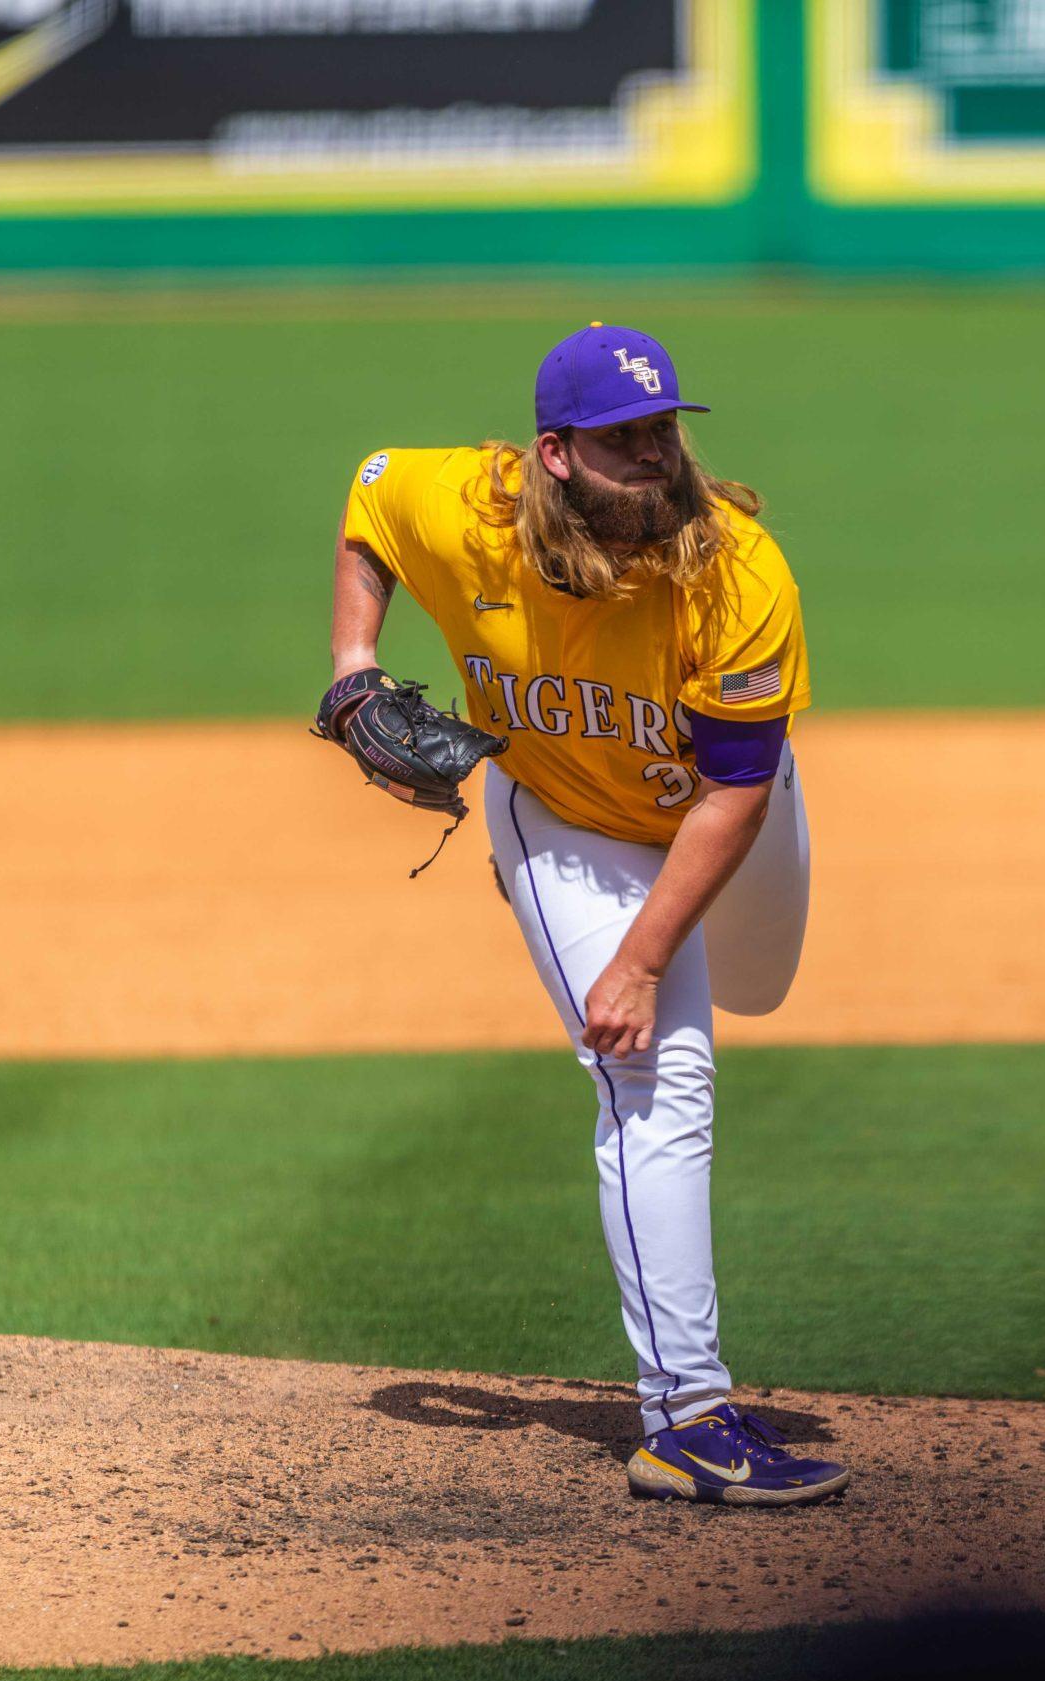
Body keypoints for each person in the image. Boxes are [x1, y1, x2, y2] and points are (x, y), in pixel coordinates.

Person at [321, 323, 847, 1507]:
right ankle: (686, 1419)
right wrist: (353, 661)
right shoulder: (468, 506)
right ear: (555, 456)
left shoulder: (739, 571)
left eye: (665, 431)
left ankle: (645, 956)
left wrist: (654, 948)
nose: (656, 459)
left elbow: (736, 790)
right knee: (656, 1077)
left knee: (760, 982)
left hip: (722, 812)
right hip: (563, 816)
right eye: (624, 443)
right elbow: (370, 499)